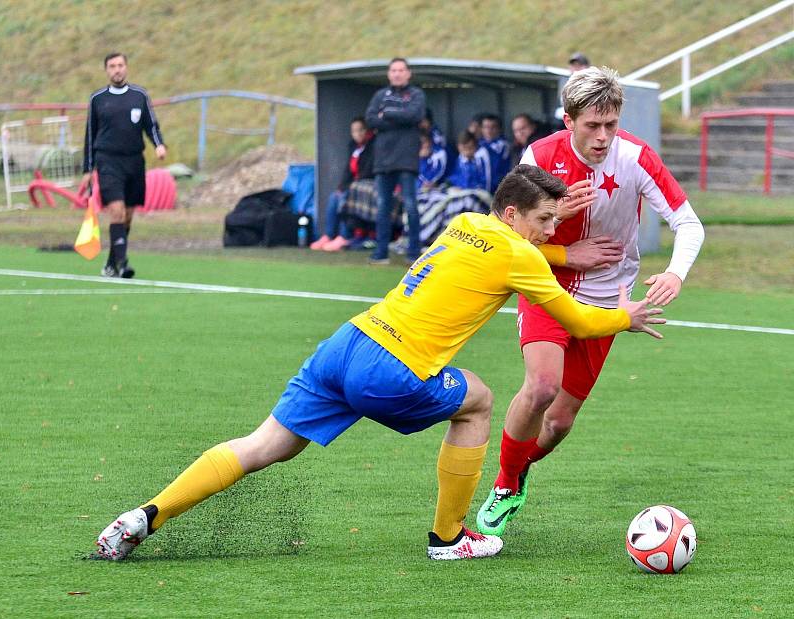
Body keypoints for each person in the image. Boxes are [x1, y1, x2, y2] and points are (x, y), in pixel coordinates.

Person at [94, 164, 665, 563]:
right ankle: (448, 540)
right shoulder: (522, 254)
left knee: (263, 445)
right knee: (480, 401)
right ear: (514, 214)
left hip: (347, 342)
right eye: (543, 220)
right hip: (391, 367)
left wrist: (555, 246)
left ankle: (146, 515)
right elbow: (580, 321)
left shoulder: (466, 223)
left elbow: (500, 259)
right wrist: (626, 316)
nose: (548, 232)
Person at [476, 66, 705, 536]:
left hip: (605, 300)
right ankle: (504, 485)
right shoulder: (539, 156)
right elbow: (505, 231)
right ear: (568, 120)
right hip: (547, 284)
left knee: (558, 421)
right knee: (541, 387)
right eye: (592, 126)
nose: (603, 137)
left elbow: (689, 224)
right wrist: (565, 247)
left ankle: (519, 466)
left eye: (611, 124)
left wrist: (676, 274)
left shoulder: (636, 158)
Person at [82, 52, 166, 278]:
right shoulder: (97, 99)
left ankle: (110, 263)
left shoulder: (139, 95)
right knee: (116, 210)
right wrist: (87, 169)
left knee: (128, 215)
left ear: (126, 68)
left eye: (120, 65)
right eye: (112, 66)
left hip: (134, 162)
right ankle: (122, 263)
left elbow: (151, 125)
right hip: (108, 161)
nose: (117, 70)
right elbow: (90, 135)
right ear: (106, 70)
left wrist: (158, 145)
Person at [365, 57, 426, 264]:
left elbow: (415, 116)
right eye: (393, 70)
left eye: (401, 70)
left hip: (407, 159)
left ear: (408, 73)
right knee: (382, 206)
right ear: (389, 74)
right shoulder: (380, 95)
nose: (397, 74)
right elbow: (370, 119)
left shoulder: (416, 94)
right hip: (383, 160)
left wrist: (388, 114)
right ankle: (381, 253)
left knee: (410, 206)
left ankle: (414, 252)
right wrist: (400, 117)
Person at [310, 117, 374, 251]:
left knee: (345, 198)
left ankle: (345, 236)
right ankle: (329, 235)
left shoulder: (372, 146)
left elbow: (369, 170)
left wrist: (350, 186)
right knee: (335, 196)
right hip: (352, 185)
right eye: (354, 131)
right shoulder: (353, 147)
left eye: (360, 130)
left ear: (366, 130)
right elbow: (348, 170)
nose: (358, 134)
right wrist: (342, 186)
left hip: (365, 186)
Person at [478, 114, 510, 192]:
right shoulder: (477, 145)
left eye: (493, 127)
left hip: (498, 188)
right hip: (478, 187)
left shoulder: (503, 146)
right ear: (481, 129)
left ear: (499, 129)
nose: (489, 130)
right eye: (486, 127)